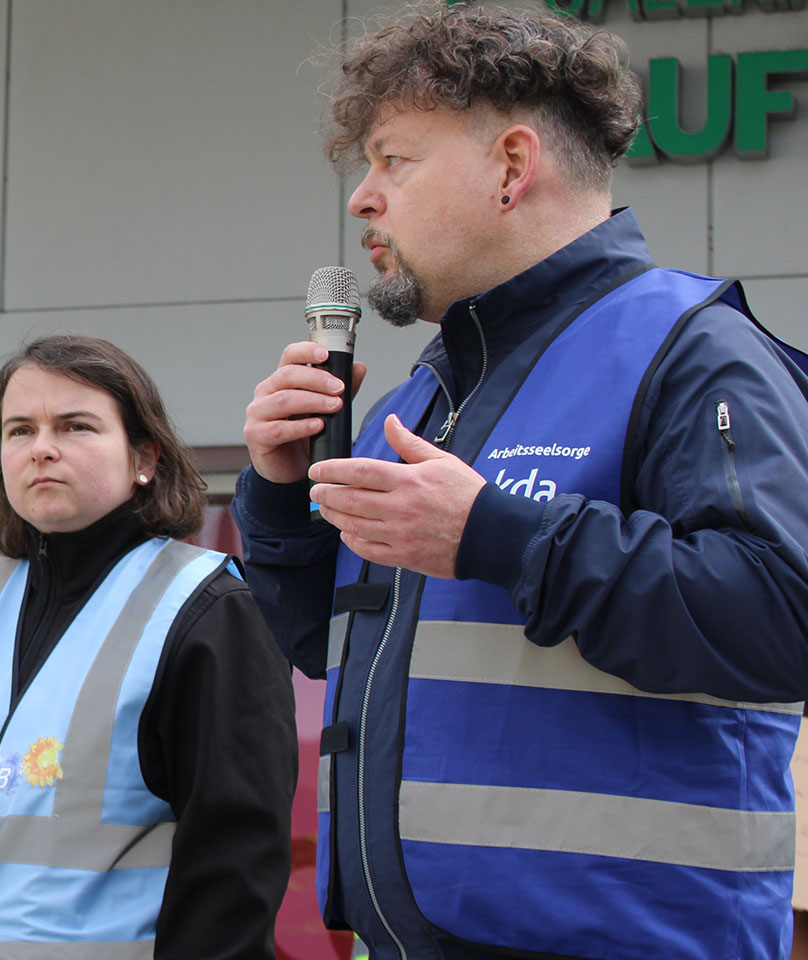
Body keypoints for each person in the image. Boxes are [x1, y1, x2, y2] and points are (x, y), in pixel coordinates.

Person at [234, 5, 808, 959]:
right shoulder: (419, 396)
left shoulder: (696, 353)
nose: (362, 200)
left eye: (393, 160)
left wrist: (499, 535)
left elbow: (786, 620)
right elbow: (325, 649)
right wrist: (283, 501)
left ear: (510, 165)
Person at [0, 335, 296, 959]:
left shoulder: (207, 610)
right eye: (19, 430)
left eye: (76, 426)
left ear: (144, 457)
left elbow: (233, 869)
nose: (42, 449)